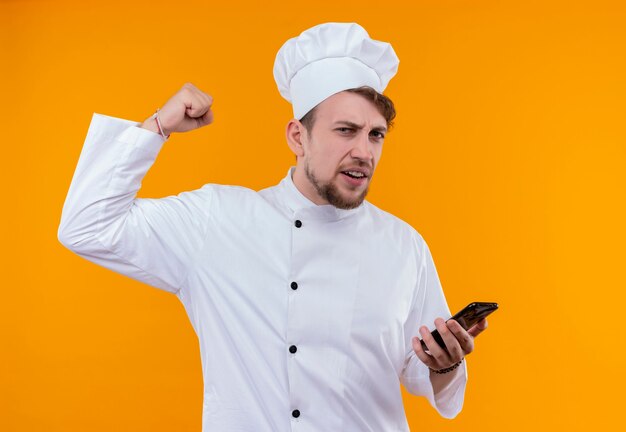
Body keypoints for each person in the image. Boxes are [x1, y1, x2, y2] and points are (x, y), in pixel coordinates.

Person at [58, 22, 488, 431]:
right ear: (297, 137)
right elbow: (86, 226)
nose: (364, 151)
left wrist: (444, 362)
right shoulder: (218, 220)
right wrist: (159, 126)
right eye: (346, 130)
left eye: (376, 135)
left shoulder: (404, 246)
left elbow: (418, 372)